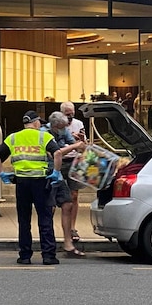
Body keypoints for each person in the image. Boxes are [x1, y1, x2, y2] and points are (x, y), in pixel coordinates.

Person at [0, 110, 64, 265]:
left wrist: (1, 173)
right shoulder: (43, 136)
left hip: (22, 183)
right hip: (41, 181)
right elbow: (57, 153)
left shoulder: (13, 137)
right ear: (36, 122)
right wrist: (56, 172)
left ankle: (25, 255)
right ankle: (48, 256)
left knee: (24, 220)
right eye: (40, 122)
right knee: (45, 218)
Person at [43, 111, 86, 257]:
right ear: (54, 126)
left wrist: (81, 145)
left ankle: (68, 243)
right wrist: (74, 147)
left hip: (58, 172)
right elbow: (56, 153)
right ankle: (48, 243)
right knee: (49, 207)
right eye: (61, 127)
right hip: (47, 171)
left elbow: (74, 144)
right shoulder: (44, 133)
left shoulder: (64, 129)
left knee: (67, 203)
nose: (64, 129)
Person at [60, 101, 86, 245]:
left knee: (74, 195)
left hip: (74, 160)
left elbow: (84, 145)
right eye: (67, 115)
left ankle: (72, 227)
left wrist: (80, 140)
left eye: (72, 115)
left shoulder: (78, 124)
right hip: (61, 159)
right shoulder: (57, 124)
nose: (70, 118)